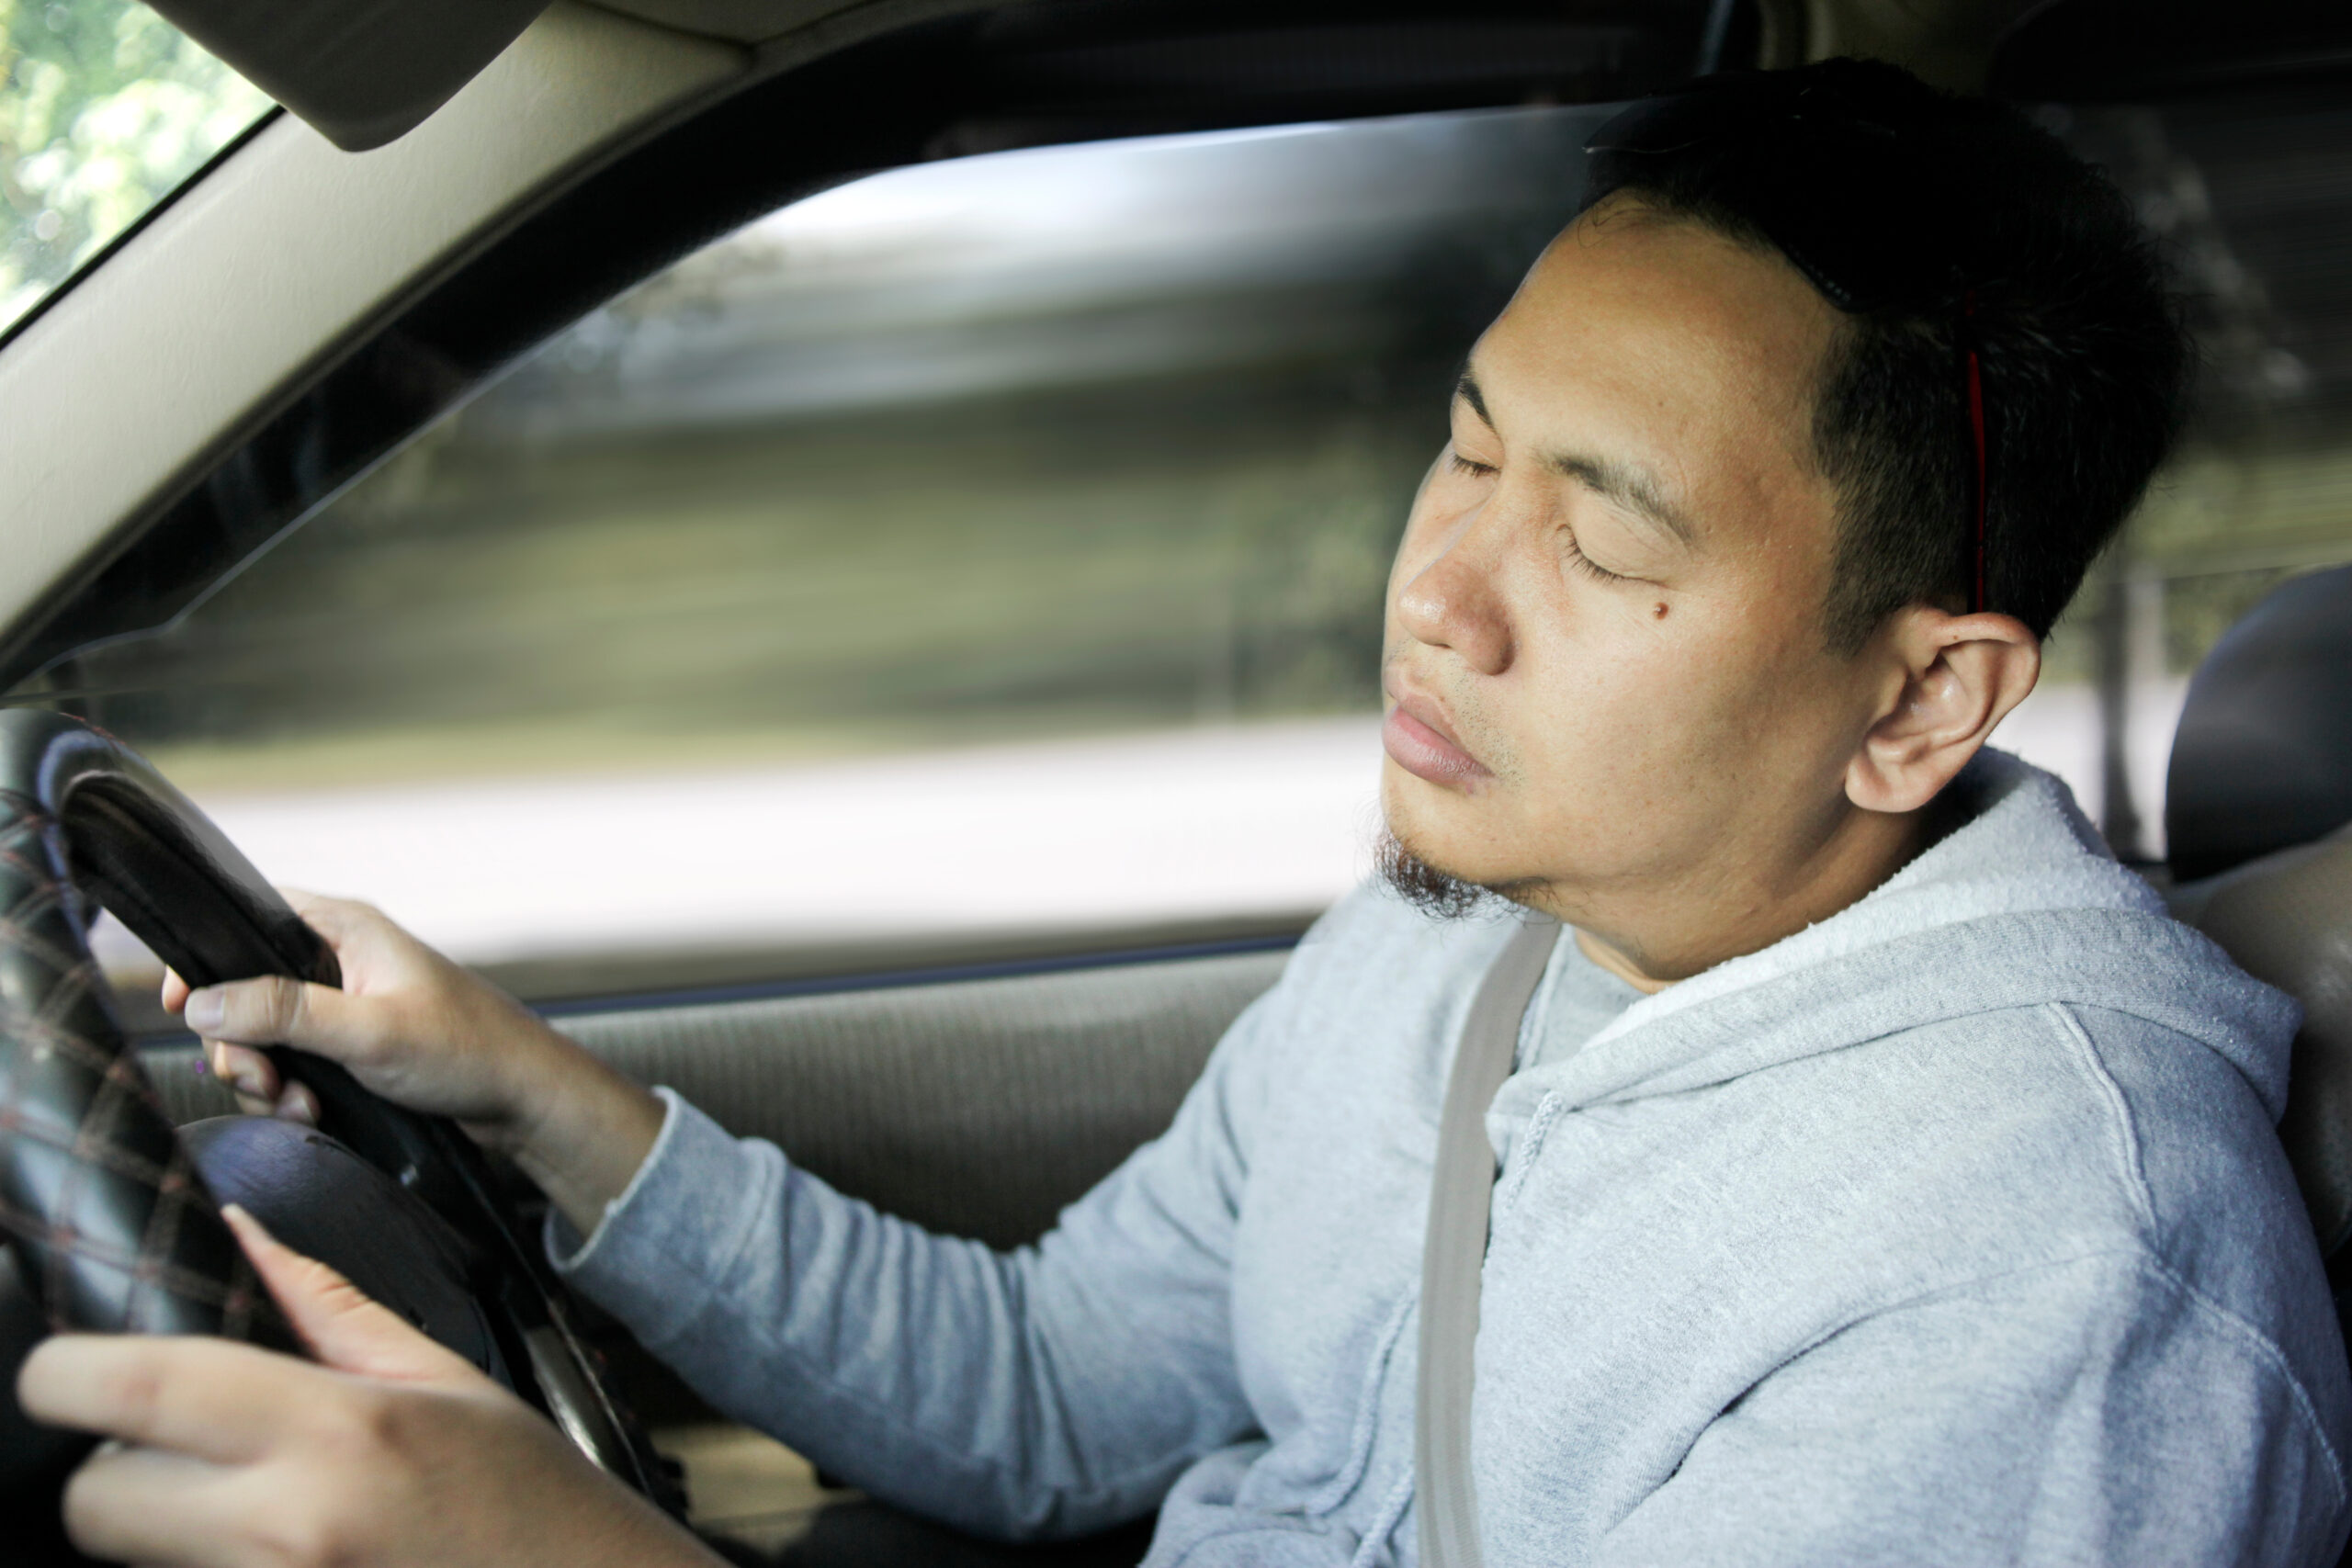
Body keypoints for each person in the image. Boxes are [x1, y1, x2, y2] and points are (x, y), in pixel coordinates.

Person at [20, 57, 2350, 1567]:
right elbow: (1049, 1391)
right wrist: (516, 1089)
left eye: (1603, 541)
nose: (1434, 595)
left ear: (1914, 696)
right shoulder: (1474, 918)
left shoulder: (2051, 1297)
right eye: (1461, 448)